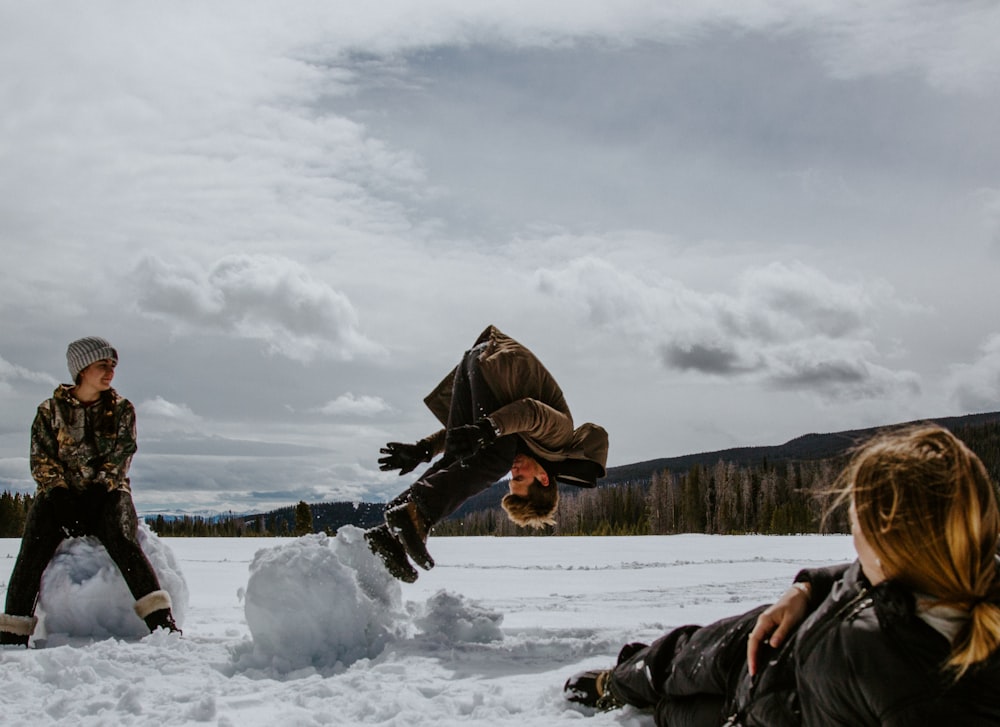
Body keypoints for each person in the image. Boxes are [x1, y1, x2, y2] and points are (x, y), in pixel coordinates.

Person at [563, 425, 1000, 725]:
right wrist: (808, 587)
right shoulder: (950, 569)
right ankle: (615, 685)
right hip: (764, 647)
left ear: (889, 540)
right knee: (679, 656)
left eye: (856, 520)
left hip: (761, 710)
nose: (851, 531)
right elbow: (870, 581)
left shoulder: (927, 694)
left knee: (674, 714)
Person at [366, 325, 609, 583]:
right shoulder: (560, 437)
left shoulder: (527, 445)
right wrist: (486, 430)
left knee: (461, 457)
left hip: (476, 364)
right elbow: (529, 411)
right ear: (544, 478)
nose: (514, 473)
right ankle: (416, 514)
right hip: (497, 365)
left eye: (512, 480)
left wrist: (424, 449)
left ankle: (391, 531)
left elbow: (463, 435)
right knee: (495, 457)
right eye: (520, 479)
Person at [0, 337, 180, 647]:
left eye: (112, 365)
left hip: (109, 491)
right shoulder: (49, 410)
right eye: (102, 365)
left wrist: (99, 490)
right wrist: (59, 496)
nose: (110, 371)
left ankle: (162, 624)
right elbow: (41, 459)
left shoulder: (122, 409)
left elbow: (123, 453)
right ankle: (12, 633)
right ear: (82, 369)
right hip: (59, 495)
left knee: (122, 538)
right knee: (33, 545)